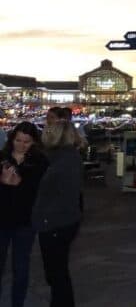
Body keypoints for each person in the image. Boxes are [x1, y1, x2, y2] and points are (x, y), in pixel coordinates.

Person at [31, 119, 83, 307]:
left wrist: (44, 219)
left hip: (56, 223)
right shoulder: (66, 157)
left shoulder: (62, 160)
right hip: (63, 221)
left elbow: (57, 193)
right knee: (57, 271)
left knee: (56, 272)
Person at [0, 122, 48, 307]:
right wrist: (4, 183)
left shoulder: (40, 162)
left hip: (25, 222)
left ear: (34, 142)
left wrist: (20, 183)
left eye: (26, 142)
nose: (20, 145)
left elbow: (41, 192)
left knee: (20, 267)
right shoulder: (2, 158)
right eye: (17, 140)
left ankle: (17, 303)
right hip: (2, 220)